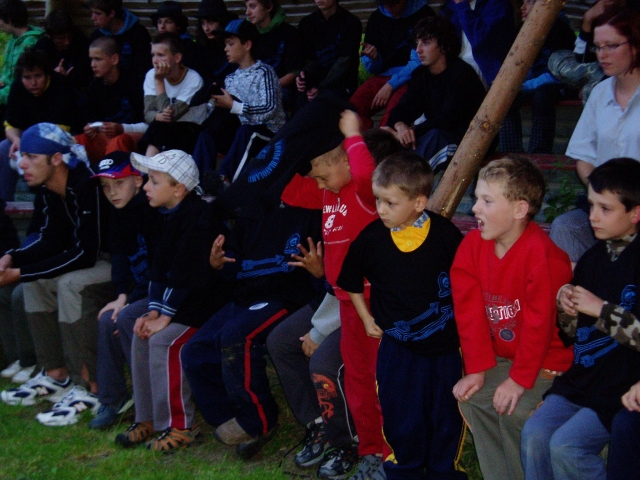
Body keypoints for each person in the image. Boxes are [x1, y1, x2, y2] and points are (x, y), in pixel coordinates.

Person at [271, 114, 402, 478]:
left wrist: (352, 136)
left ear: (348, 160)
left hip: (376, 304)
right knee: (358, 383)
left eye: (322, 174)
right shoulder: (328, 191)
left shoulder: (366, 195)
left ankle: (393, 456)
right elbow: (287, 189)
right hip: (347, 304)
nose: (317, 183)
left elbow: (366, 174)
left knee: (380, 382)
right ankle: (371, 451)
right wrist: (294, 144)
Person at [337, 152, 466, 479]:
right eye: (378, 200)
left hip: (445, 350)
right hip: (398, 350)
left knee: (445, 415)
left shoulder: (446, 235)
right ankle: (403, 471)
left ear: (419, 202)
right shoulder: (372, 238)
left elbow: (467, 284)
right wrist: (366, 318)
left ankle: (443, 472)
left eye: (390, 203)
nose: (381, 209)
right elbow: (349, 280)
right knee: (401, 414)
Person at [451, 156, 574, 480]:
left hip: (547, 362)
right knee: (474, 398)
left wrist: (518, 381)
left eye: (487, 201)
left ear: (520, 209)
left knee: (512, 409)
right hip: (504, 358)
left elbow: (539, 325)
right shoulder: (472, 246)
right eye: (477, 198)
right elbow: (468, 312)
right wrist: (477, 369)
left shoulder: (543, 256)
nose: (475, 208)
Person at [521, 157, 640, 480]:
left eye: (605, 209)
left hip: (622, 387)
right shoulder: (593, 257)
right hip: (582, 379)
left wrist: (600, 309)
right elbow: (572, 334)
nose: (592, 216)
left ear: (635, 213)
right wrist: (566, 307)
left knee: (567, 447)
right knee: (534, 434)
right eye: (591, 205)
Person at [114, 150, 229, 451]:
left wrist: (164, 317)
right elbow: (159, 271)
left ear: (178, 189)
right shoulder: (165, 215)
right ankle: (148, 417)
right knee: (142, 334)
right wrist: (153, 312)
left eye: (154, 181)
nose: (146, 187)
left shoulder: (200, 216)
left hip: (205, 305)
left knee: (164, 341)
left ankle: (181, 425)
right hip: (182, 302)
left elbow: (186, 274)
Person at [0, 123, 113, 428]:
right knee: (35, 283)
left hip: (118, 264)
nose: (21, 164)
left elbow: (86, 253)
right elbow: (49, 239)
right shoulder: (49, 188)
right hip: (90, 260)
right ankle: (55, 375)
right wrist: (12, 257)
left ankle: (90, 387)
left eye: (31, 156)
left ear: (56, 159)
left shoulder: (87, 184)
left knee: (70, 285)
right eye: (22, 156)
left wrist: (19, 272)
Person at [550, 8, 640, 265]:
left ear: (635, 45)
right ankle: (578, 289)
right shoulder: (600, 93)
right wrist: (602, 195)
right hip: (603, 201)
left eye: (611, 46)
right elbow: (584, 157)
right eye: (598, 47)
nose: (602, 54)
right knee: (566, 227)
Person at [89, 151, 161, 430]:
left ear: (137, 180)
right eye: (105, 186)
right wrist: (121, 297)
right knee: (108, 319)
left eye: (119, 183)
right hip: (139, 293)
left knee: (126, 319)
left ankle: (152, 401)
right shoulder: (118, 213)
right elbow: (119, 259)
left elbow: (159, 268)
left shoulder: (152, 210)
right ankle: (113, 399)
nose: (112, 192)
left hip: (160, 292)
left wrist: (130, 303)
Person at [386, 15, 485, 172]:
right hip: (438, 136)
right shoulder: (421, 75)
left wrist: (413, 131)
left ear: (444, 46)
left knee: (434, 137)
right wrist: (400, 126)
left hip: (468, 141)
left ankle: (406, 181)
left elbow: (450, 119)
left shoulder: (462, 74)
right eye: (417, 43)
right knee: (388, 136)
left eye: (426, 43)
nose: (418, 50)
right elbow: (404, 108)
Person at [192, 20, 285, 184]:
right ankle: (199, 183)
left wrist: (234, 106)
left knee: (246, 131)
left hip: (269, 135)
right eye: (225, 45)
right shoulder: (230, 78)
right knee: (207, 134)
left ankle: (224, 181)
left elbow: (269, 109)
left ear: (247, 45)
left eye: (230, 44)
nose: (225, 49)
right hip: (241, 136)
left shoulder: (265, 72)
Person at [0, 47, 80, 202]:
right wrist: (16, 140)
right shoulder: (17, 87)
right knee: (4, 148)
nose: (33, 82)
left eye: (38, 76)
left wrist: (28, 146)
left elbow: (59, 130)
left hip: (61, 137)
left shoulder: (60, 85)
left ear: (47, 74)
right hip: (27, 137)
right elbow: (11, 124)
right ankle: (3, 203)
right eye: (27, 77)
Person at [498, 2, 576, 154]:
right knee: (506, 96)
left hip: (559, 82)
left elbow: (559, 74)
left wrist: (525, 86)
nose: (522, 7)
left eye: (529, 2)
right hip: (530, 83)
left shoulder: (558, 28)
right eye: (523, 2)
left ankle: (539, 151)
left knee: (542, 95)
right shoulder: (522, 29)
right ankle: (510, 152)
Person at [350, 0, 435, 131]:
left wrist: (391, 85)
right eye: (386, 5)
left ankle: (385, 141)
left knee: (392, 118)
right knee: (352, 110)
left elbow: (419, 61)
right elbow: (373, 68)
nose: (390, 8)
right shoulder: (377, 18)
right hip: (384, 76)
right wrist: (374, 58)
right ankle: (365, 141)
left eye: (394, 4)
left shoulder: (423, 14)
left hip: (413, 77)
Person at [75, 36, 146, 166]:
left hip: (131, 139)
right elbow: (91, 119)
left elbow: (148, 126)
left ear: (114, 59)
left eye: (98, 59)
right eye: (91, 59)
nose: (93, 65)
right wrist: (90, 128)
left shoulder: (135, 84)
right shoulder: (94, 86)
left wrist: (121, 128)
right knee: (77, 141)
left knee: (118, 141)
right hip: (105, 138)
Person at [142, 32, 204, 157]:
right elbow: (147, 114)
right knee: (157, 127)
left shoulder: (193, 79)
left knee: (158, 128)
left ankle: (147, 166)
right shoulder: (151, 75)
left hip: (191, 130)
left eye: (161, 55)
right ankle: (148, 166)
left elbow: (171, 116)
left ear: (177, 58)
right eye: (153, 55)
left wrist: (159, 82)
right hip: (161, 131)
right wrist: (157, 116)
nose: (155, 61)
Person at [296, 0, 362, 104]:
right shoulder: (306, 24)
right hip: (314, 85)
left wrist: (321, 88)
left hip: (342, 85)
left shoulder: (351, 22)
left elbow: (345, 63)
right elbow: (307, 59)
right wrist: (302, 76)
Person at [440, 0, 515, 88]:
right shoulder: (449, 7)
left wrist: (462, 6)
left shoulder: (497, 4)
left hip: (489, 74)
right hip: (455, 71)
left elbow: (482, 40)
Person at [245, 0, 303, 110]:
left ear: (269, 7)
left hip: (281, 90)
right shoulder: (248, 34)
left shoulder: (289, 33)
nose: (247, 12)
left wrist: (266, 88)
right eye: (246, 7)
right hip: (251, 90)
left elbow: (293, 72)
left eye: (253, 6)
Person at [88, 0, 152, 88]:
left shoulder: (138, 33)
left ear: (112, 13)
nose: (93, 18)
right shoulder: (96, 36)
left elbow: (144, 67)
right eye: (92, 13)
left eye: (98, 14)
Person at [34, 9, 92, 95]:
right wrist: (54, 75)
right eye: (61, 38)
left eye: (69, 37)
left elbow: (85, 74)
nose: (67, 42)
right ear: (49, 36)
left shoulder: (81, 43)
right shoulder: (41, 48)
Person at [0, 0, 43, 110]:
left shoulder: (30, 42)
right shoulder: (13, 39)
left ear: (9, 19)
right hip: (6, 90)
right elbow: (7, 75)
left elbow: (21, 82)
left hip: (19, 97)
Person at [151, 1, 198, 71]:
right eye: (159, 22)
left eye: (168, 22)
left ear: (178, 25)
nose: (162, 26)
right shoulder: (156, 44)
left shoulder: (187, 46)